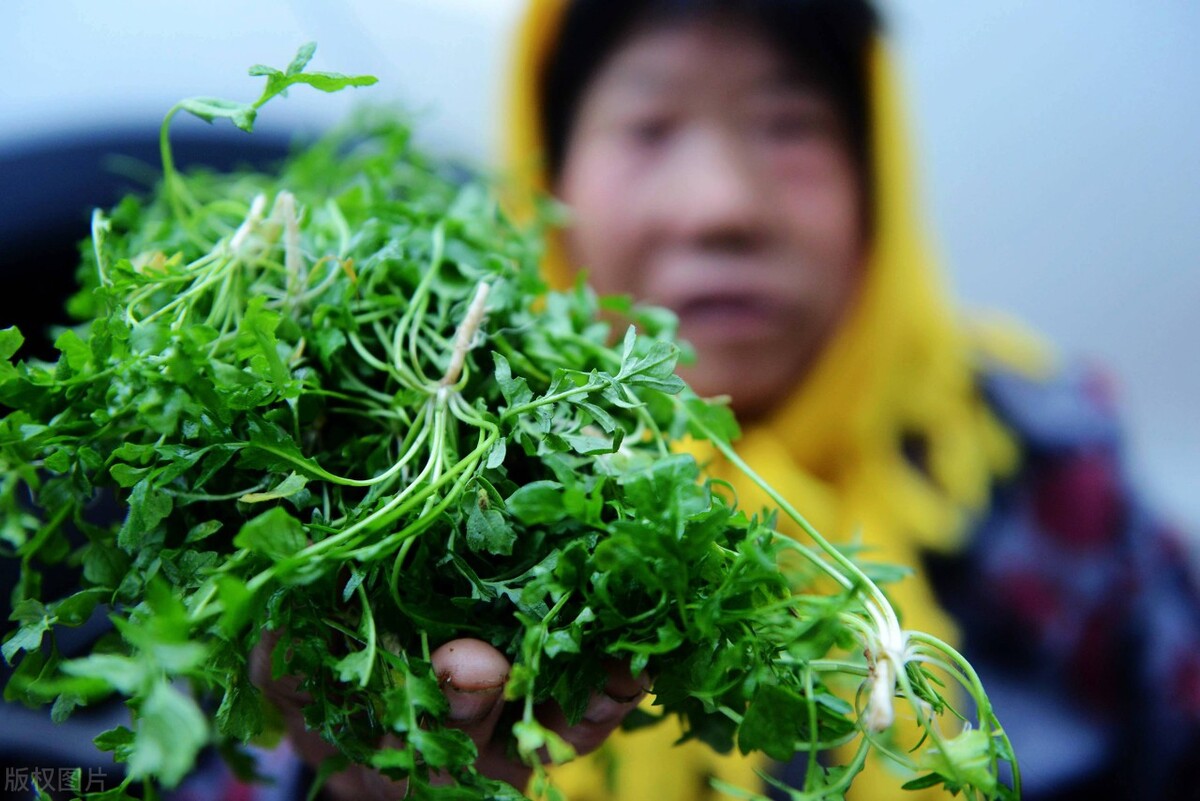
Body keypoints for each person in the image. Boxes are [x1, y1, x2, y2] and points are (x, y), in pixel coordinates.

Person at [494, 0, 1200, 799]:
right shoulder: (461, 513)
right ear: (548, 179)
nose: (723, 206)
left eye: (788, 124)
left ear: (878, 173)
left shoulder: (1046, 475)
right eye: (650, 128)